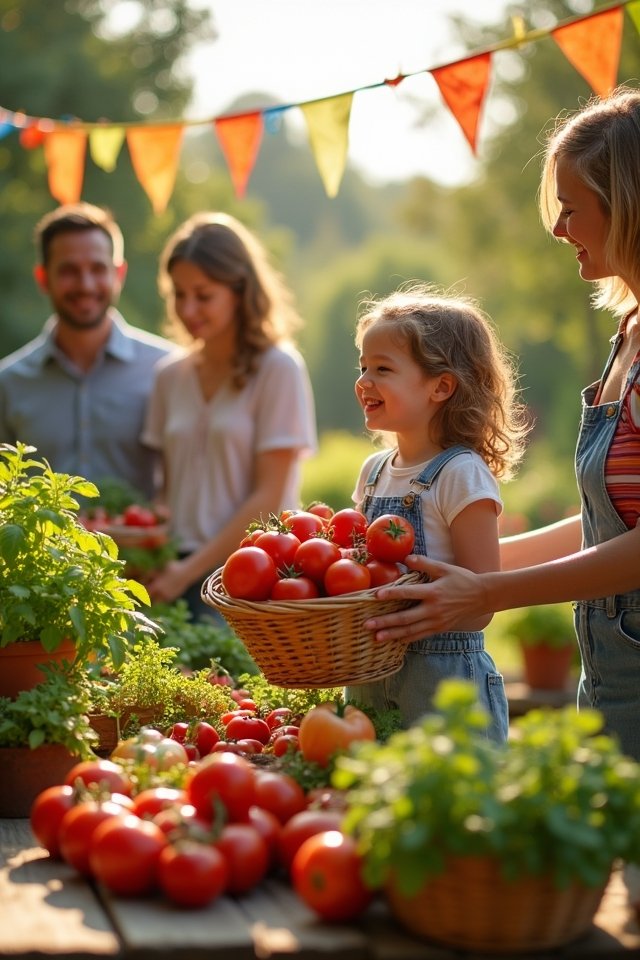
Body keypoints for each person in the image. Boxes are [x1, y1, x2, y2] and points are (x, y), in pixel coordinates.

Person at [364, 86, 640, 762]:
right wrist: (450, 566)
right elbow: (609, 520)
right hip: (612, 661)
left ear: (630, 206)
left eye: (571, 209)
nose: (557, 229)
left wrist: (487, 591)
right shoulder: (628, 333)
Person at [345, 283, 529, 739]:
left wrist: (416, 617)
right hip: (370, 677)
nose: (364, 381)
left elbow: (481, 597)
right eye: (363, 366)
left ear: (441, 386)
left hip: (445, 683)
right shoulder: (373, 472)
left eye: (383, 369)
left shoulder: (460, 473)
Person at [142, 212, 317, 618]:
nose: (188, 308)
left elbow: (268, 498)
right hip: (172, 572)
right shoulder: (169, 376)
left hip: (251, 573)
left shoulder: (278, 369)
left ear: (240, 290)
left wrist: (188, 571)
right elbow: (168, 490)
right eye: (178, 294)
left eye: (203, 295)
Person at [0, 202, 172, 499]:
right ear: (43, 278)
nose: (86, 284)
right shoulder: (8, 383)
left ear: (119, 273)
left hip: (145, 545)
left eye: (98, 268)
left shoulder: (168, 370)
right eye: (69, 270)